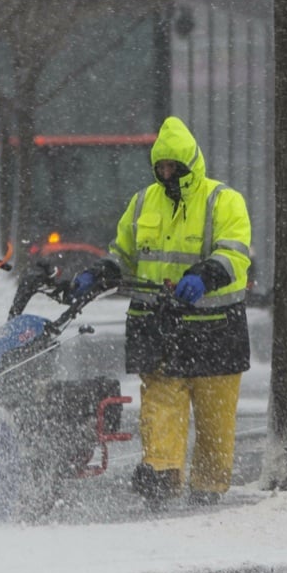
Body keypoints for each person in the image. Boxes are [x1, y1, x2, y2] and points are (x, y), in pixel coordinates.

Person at [71, 116, 251, 510]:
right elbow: (123, 255)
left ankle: (208, 485)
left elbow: (235, 253)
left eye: (174, 166)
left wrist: (206, 275)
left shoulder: (223, 200)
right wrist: (100, 273)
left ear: (190, 163)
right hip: (159, 325)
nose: (167, 173)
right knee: (161, 402)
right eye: (161, 167)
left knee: (214, 418)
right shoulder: (141, 202)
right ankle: (162, 472)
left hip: (215, 327)